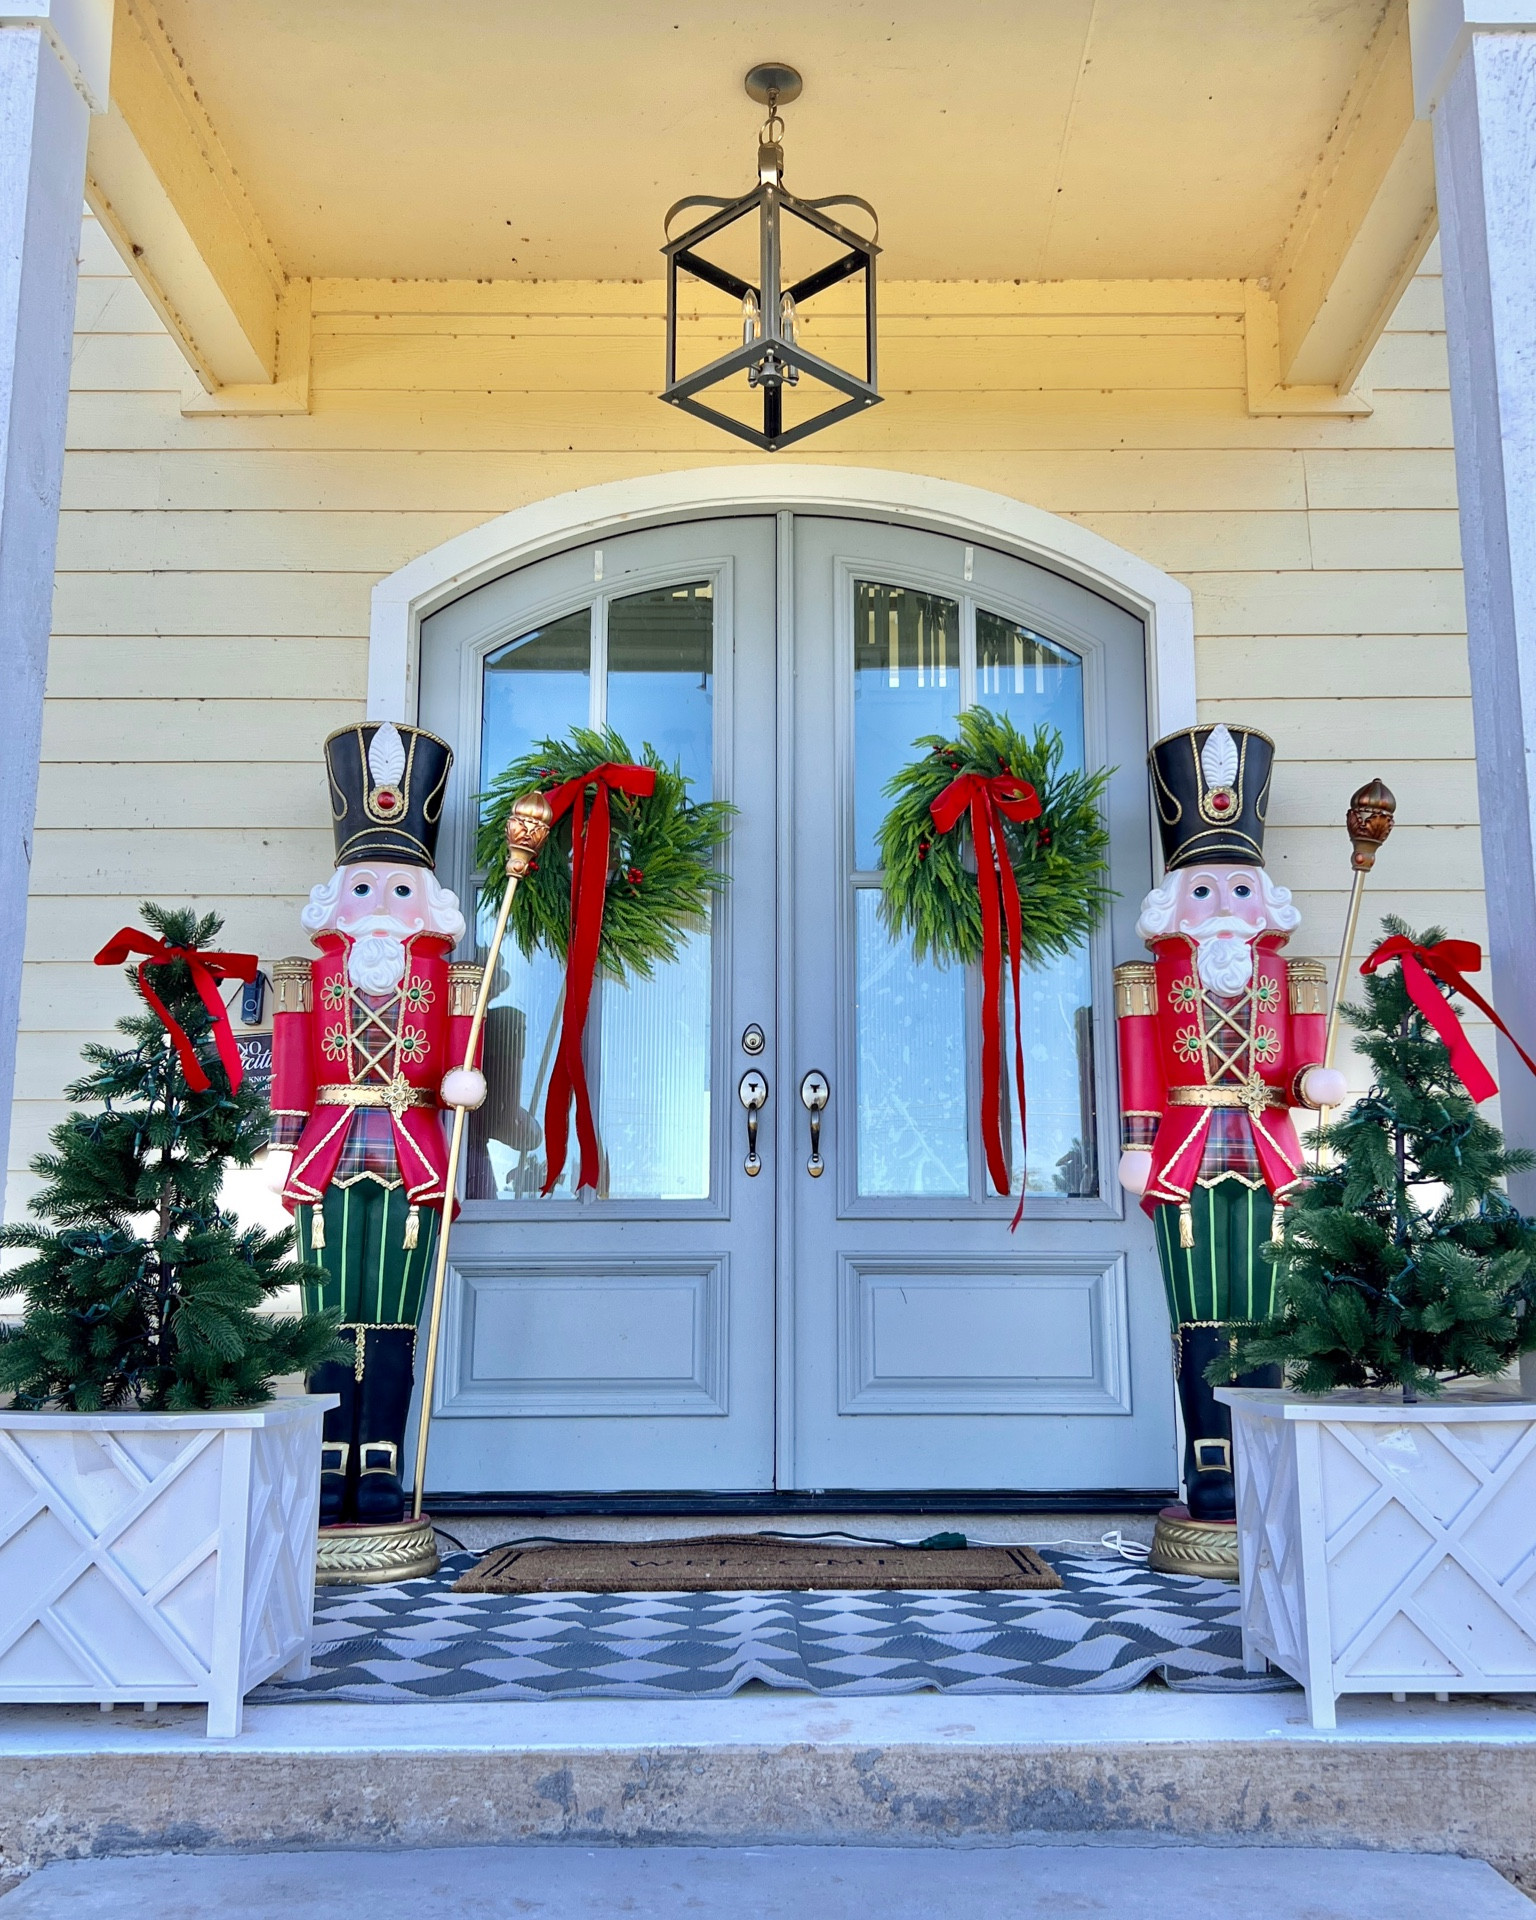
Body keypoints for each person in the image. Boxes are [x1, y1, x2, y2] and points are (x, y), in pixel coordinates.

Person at [1115, 723, 1346, 1528]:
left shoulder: (1295, 974)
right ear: (1177, 903)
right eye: (1204, 892)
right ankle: (1209, 1457)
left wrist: (1317, 1080)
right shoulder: (1150, 978)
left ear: (1263, 900)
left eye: (1238, 890)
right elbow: (1142, 1065)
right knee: (1199, 1309)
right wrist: (1137, 1141)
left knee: (1269, 1305)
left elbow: (1306, 1070)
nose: (1223, 906)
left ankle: (1266, 1459)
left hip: (1273, 1154)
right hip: (1184, 1155)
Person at [265, 721, 486, 1529]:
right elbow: (291, 1070)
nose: (381, 906)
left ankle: (381, 1461)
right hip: (327, 1151)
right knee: (328, 1308)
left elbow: (462, 1074)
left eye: (399, 891)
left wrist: (467, 1080)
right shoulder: (308, 976)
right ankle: (329, 1459)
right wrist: (280, 1144)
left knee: (394, 1307)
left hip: (413, 1153)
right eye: (365, 889)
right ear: (338, 898)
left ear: (425, 903)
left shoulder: (451, 977)